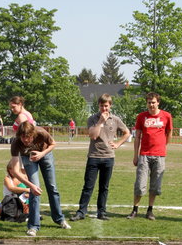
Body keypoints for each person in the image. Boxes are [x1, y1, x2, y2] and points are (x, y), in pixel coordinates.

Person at [71, 94, 130, 222]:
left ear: (110, 106)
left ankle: (101, 212)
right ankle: (81, 212)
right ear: (98, 106)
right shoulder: (92, 119)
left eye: (106, 106)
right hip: (94, 156)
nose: (104, 108)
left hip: (108, 157)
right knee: (88, 186)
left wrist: (118, 143)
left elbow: (127, 133)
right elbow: (93, 135)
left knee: (104, 187)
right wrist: (100, 122)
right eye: (102, 106)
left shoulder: (115, 119)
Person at [9, 121, 71, 236]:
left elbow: (53, 144)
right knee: (34, 191)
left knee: (52, 187)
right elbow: (16, 171)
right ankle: (33, 226)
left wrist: (42, 154)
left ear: (33, 134)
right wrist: (31, 186)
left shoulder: (41, 132)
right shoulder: (16, 143)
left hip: (45, 155)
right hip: (28, 157)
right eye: (23, 137)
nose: (26, 140)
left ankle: (60, 219)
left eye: (28, 137)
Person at [126, 92, 173, 221]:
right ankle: (135, 209)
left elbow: (169, 133)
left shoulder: (166, 116)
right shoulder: (141, 117)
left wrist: (164, 146)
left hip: (159, 155)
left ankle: (150, 210)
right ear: (146, 103)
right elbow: (137, 138)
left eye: (153, 102)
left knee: (155, 185)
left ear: (158, 102)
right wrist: (135, 155)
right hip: (144, 155)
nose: (151, 105)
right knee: (140, 184)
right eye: (149, 102)